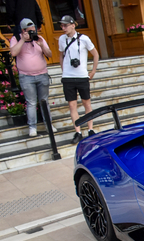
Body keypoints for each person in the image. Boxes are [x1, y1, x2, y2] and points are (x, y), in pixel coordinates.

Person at [58, 15, 99, 144]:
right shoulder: (61, 39)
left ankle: (90, 129)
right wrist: (63, 69)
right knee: (72, 105)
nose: (63, 28)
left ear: (73, 25)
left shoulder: (84, 39)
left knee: (86, 103)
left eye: (65, 25)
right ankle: (78, 131)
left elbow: (95, 54)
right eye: (62, 25)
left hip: (82, 76)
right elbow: (61, 55)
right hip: (68, 77)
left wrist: (93, 71)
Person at [9, 18, 53, 137]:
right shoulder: (16, 39)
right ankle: (32, 127)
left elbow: (49, 54)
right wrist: (23, 40)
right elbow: (13, 53)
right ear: (23, 31)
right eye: (29, 31)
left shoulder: (40, 39)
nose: (32, 33)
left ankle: (49, 125)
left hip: (42, 74)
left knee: (44, 101)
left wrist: (42, 45)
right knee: (31, 102)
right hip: (26, 77)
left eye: (33, 30)